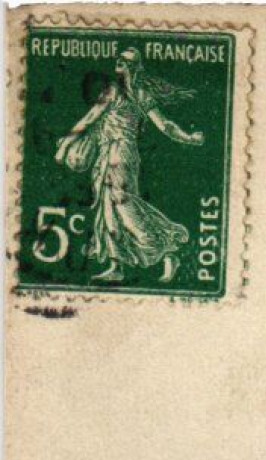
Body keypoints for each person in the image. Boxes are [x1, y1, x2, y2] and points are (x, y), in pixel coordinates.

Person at [54, 49, 205, 284]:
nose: (118, 61)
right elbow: (91, 118)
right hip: (106, 153)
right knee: (107, 208)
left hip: (122, 154)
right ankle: (116, 266)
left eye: (124, 60)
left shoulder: (136, 94)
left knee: (123, 206)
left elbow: (164, 125)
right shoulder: (113, 90)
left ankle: (166, 251)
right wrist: (67, 144)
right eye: (119, 58)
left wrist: (188, 138)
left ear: (134, 67)